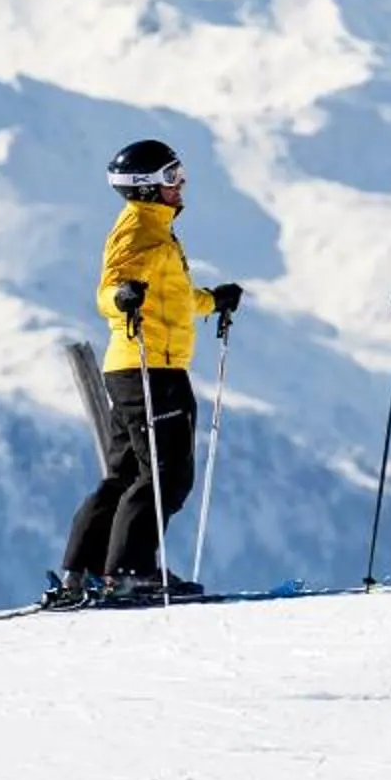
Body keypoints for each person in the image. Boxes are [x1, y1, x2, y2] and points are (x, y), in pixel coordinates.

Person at [52, 139, 245, 606]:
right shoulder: (138, 227)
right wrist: (120, 299)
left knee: (127, 474)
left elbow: (166, 296)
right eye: (171, 175)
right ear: (146, 186)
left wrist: (211, 301)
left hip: (139, 367)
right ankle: (130, 572)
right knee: (166, 474)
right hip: (150, 367)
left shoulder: (156, 229)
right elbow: (111, 288)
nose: (181, 183)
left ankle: (87, 571)